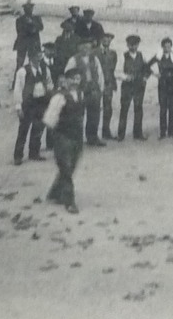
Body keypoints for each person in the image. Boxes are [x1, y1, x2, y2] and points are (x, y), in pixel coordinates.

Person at [42, 69, 87, 214]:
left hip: (77, 137)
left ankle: (54, 193)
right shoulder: (59, 97)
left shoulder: (80, 94)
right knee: (66, 169)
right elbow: (49, 120)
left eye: (78, 79)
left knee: (70, 167)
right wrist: (59, 135)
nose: (75, 82)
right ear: (65, 80)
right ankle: (69, 201)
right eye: (72, 79)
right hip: (63, 137)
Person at [11, 49, 53, 164]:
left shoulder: (45, 69)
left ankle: (34, 153)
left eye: (40, 55)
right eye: (36, 56)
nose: (39, 58)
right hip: (28, 104)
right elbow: (18, 90)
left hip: (41, 102)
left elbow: (50, 83)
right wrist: (18, 107)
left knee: (38, 129)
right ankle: (18, 156)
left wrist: (49, 95)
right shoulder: (22, 72)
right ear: (31, 57)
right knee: (23, 130)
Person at [117, 34, 150, 140]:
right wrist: (126, 77)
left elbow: (147, 69)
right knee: (124, 109)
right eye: (131, 45)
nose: (133, 47)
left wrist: (145, 78)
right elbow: (117, 72)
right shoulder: (123, 56)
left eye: (135, 45)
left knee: (138, 109)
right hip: (127, 86)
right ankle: (121, 134)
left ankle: (138, 133)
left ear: (138, 45)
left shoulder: (141, 55)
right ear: (127, 45)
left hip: (139, 87)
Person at [152, 37, 173, 138]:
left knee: (172, 108)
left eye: (169, 46)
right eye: (165, 46)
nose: (167, 48)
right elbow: (147, 65)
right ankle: (162, 132)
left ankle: (171, 131)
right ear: (162, 47)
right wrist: (155, 73)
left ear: (171, 47)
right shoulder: (158, 56)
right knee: (163, 109)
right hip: (163, 84)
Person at [98, 33, 118, 139]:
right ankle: (92, 134)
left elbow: (112, 69)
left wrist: (112, 82)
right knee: (96, 108)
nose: (107, 41)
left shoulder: (113, 54)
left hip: (108, 83)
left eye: (109, 39)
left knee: (108, 108)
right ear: (101, 40)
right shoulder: (95, 52)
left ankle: (106, 131)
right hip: (97, 84)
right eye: (104, 39)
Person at [13, 2, 44, 68]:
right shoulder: (20, 20)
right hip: (23, 43)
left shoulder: (37, 18)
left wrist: (31, 23)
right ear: (24, 10)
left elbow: (41, 27)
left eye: (30, 9)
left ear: (32, 9)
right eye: (27, 9)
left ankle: (32, 77)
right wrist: (32, 29)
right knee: (19, 63)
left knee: (33, 62)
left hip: (33, 43)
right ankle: (17, 77)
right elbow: (19, 31)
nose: (29, 10)